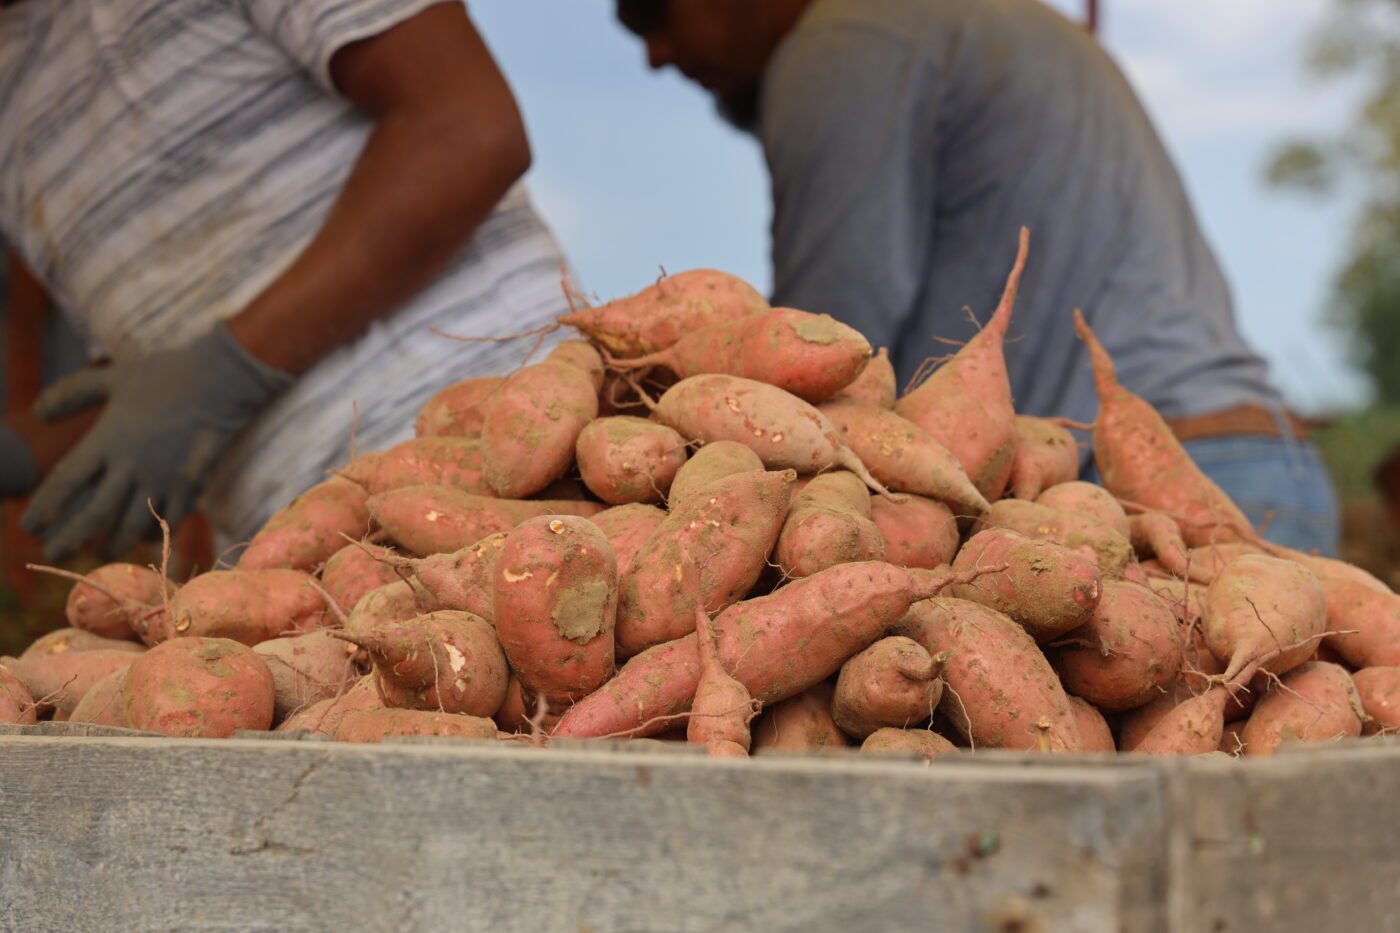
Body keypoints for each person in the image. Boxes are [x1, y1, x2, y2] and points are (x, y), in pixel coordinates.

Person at [616, 0, 1341, 554]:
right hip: (1259, 466)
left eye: (652, 9)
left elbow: (816, 352)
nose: (651, 54)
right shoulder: (994, 21)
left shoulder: (844, 43)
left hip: (1140, 492)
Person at [0, 0, 570, 561]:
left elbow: (467, 127)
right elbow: (160, 392)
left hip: (514, 447)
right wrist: (23, 452)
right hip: (294, 559)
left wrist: (228, 370)